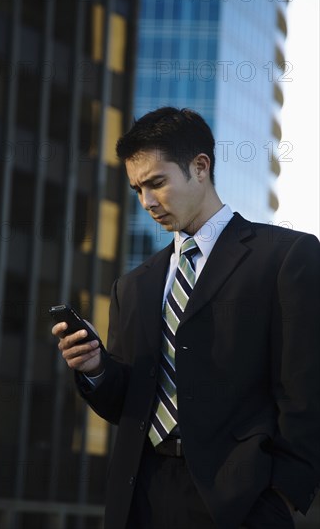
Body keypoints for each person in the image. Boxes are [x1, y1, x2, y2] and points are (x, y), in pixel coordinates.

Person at [52, 107, 320, 529]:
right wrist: (97, 368)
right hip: (141, 496)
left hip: (243, 499)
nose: (147, 202)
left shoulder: (286, 258)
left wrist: (284, 496)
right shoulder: (134, 285)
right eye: (137, 189)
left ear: (200, 167)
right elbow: (129, 400)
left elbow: (305, 391)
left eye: (157, 183)